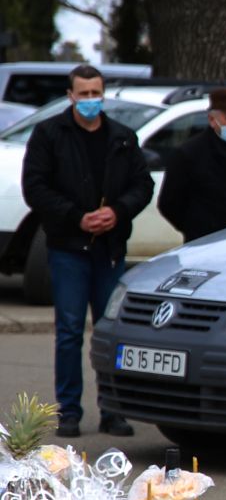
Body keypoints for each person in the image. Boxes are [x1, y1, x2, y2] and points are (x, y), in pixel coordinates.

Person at [20, 64, 153, 438]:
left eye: (97, 93)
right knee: (69, 332)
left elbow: (142, 185)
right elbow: (36, 187)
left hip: (110, 249)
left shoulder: (122, 137)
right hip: (68, 248)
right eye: (84, 94)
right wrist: (77, 218)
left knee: (110, 332)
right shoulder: (50, 134)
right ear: (71, 96)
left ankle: (112, 410)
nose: (91, 100)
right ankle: (69, 412)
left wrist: (118, 211)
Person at [157, 88, 226, 242]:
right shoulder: (189, 154)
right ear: (212, 119)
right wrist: (196, 230)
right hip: (206, 241)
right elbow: (169, 203)